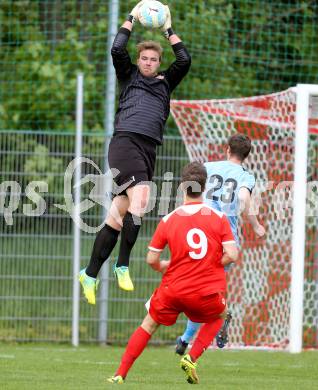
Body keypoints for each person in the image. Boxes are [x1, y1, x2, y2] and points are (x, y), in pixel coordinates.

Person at [79, 1, 191, 301]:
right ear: (139, 60)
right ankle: (123, 265)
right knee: (142, 198)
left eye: (153, 59)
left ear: (158, 62)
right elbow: (117, 49)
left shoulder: (166, 82)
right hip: (125, 143)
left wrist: (168, 27)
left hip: (148, 149)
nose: (148, 62)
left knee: (118, 216)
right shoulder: (129, 76)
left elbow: (184, 58)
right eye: (144, 58)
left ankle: (89, 274)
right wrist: (131, 16)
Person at [107, 162, 239, 384]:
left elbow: (151, 259)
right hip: (206, 291)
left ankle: (120, 374)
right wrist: (213, 263)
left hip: (173, 289)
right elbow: (232, 255)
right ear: (204, 188)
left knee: (148, 325)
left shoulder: (169, 220)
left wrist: (163, 266)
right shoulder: (219, 218)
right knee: (221, 315)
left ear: (181, 187)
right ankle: (192, 356)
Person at [175, 133, 266, 354]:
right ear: (246, 156)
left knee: (196, 288)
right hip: (225, 240)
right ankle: (209, 323)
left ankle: (187, 338)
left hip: (199, 233)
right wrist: (255, 225)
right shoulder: (246, 176)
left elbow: (189, 190)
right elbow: (244, 199)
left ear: (227, 149)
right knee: (208, 289)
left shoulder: (207, 166)